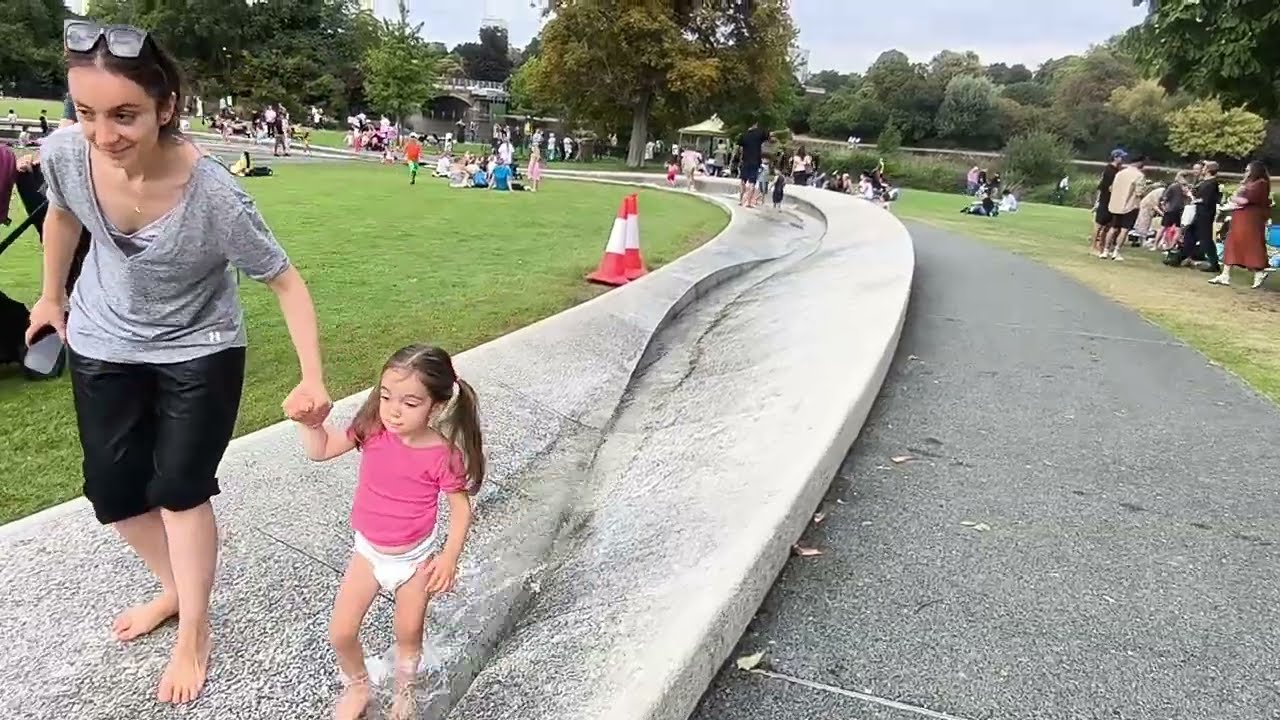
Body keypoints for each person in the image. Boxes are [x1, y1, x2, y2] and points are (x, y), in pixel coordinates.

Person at [26, 20, 331, 705]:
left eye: (125, 114)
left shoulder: (215, 195)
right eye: (88, 112)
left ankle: (195, 626)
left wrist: (312, 377)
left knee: (180, 487)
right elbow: (64, 217)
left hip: (200, 348)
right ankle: (177, 588)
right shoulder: (68, 153)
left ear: (166, 108)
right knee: (113, 493)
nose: (104, 134)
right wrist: (50, 296)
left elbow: (285, 280)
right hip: (104, 338)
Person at [299, 345, 480, 720]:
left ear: (438, 406)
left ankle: (405, 690)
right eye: (386, 397)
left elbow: (461, 510)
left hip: (414, 562)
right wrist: (313, 424)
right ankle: (357, 684)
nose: (393, 410)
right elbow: (321, 451)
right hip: (368, 554)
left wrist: (448, 558)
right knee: (341, 632)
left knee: (408, 636)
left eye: (410, 403)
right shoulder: (372, 431)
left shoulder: (442, 455)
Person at [1212, 161, 1271, 289]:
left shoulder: (1261, 184)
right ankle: (1225, 274)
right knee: (1232, 242)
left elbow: (1245, 200)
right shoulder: (1249, 183)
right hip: (1240, 217)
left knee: (1251, 245)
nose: (1246, 172)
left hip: (1251, 219)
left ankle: (1259, 272)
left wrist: (1234, 198)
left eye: (1248, 170)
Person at [1165, 161, 1223, 273]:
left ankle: (1214, 263)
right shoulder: (1204, 182)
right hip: (1198, 213)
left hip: (1205, 214)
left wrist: (1191, 196)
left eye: (1205, 167)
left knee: (1206, 239)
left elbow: (1205, 200)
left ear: (1209, 170)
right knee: (1190, 236)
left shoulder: (1212, 183)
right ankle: (1179, 258)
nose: (1203, 169)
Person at [1099, 155, 1147, 261]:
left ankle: (1105, 251)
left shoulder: (1120, 173)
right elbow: (1139, 192)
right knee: (1124, 230)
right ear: (1139, 163)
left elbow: (1111, 188)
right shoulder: (1139, 176)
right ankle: (1116, 251)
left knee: (1113, 228)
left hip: (1116, 205)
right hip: (1130, 206)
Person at [1091, 149, 1125, 253]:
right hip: (1105, 200)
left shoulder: (1117, 171)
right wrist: (1098, 201)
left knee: (1107, 226)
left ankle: (1102, 245)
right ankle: (1093, 246)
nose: (1123, 159)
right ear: (1116, 157)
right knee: (1098, 224)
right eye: (1121, 157)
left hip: (1112, 202)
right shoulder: (1109, 170)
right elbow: (1104, 187)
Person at [737, 120, 770, 208]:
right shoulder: (759, 134)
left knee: (743, 181)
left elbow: (739, 144)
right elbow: (767, 135)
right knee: (752, 182)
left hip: (745, 160)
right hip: (755, 160)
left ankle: (740, 200)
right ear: (755, 124)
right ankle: (748, 202)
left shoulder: (744, 135)